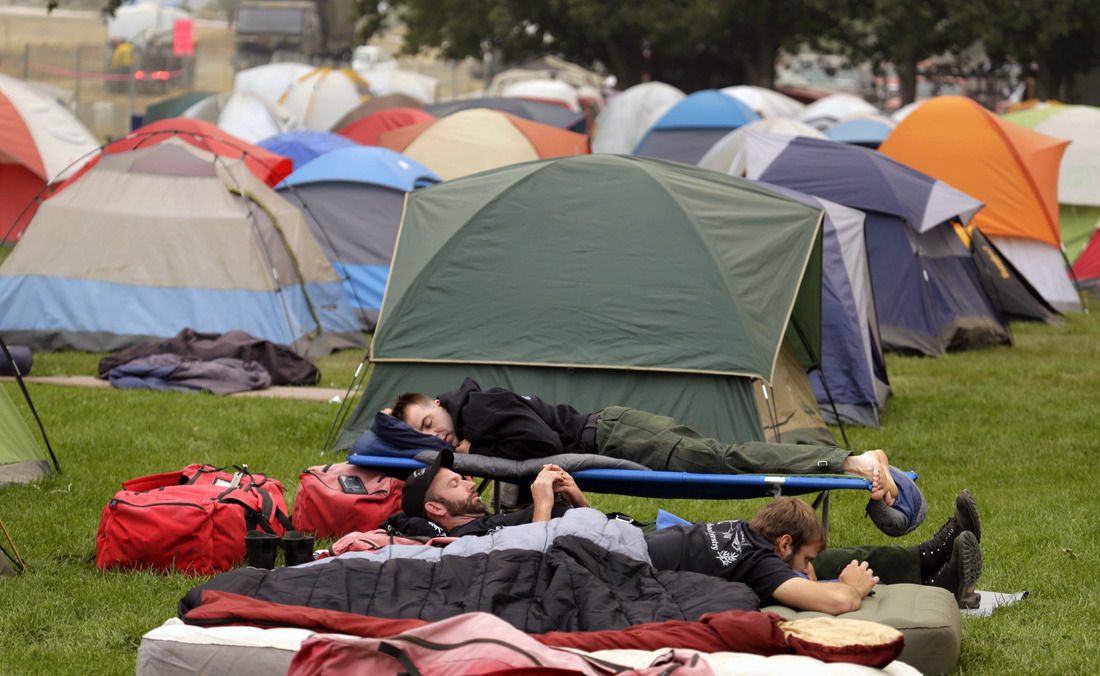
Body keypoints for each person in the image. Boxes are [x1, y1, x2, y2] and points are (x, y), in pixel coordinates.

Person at [385, 450, 982, 612]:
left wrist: (576, 502)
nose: (466, 482)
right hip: (606, 547)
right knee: (824, 563)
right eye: (452, 486)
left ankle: (931, 560)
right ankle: (933, 564)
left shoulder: (758, 549)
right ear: (437, 512)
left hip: (623, 536)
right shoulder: (476, 534)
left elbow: (576, 539)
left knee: (816, 558)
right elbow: (527, 558)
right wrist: (544, 510)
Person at [389, 378, 899, 504]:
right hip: (615, 433)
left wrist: (476, 452)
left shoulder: (477, 408)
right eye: (424, 436)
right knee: (726, 459)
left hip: (616, 435)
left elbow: (541, 441)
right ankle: (844, 462)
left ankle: (849, 461)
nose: (439, 438)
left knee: (727, 462)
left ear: (439, 404)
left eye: (430, 425)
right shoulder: (473, 417)